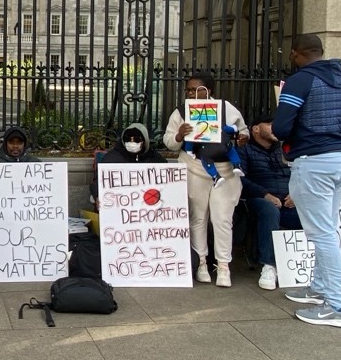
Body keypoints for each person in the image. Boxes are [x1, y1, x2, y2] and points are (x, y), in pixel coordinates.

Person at [270, 34, 341, 327]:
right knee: (328, 229)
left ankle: (336, 306)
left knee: (322, 235)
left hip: (314, 161)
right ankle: (319, 289)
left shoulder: (300, 81)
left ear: (296, 54)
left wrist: (282, 131)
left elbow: (281, 127)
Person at [163, 74, 248, 286]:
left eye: (195, 90)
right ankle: (200, 262)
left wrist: (242, 137)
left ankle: (223, 266)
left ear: (209, 91)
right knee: (197, 217)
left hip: (225, 170)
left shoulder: (227, 109)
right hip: (194, 167)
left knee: (222, 219)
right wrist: (179, 135)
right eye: (188, 91)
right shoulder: (181, 112)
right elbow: (168, 142)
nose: (191, 94)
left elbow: (242, 133)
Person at [240, 116, 303, 290]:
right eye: (269, 124)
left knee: (312, 213)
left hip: (289, 200)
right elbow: (240, 179)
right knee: (269, 211)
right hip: (258, 200)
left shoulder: (285, 149)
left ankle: (314, 265)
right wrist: (265, 194)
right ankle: (269, 265)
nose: (275, 128)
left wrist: (296, 193)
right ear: (256, 129)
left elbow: (301, 173)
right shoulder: (244, 150)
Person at [91, 122, 165, 204]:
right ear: (123, 140)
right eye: (128, 139)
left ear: (144, 141)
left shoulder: (154, 158)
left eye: (136, 139)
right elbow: (98, 182)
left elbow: (167, 181)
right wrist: (97, 195)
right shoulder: (112, 158)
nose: (132, 142)